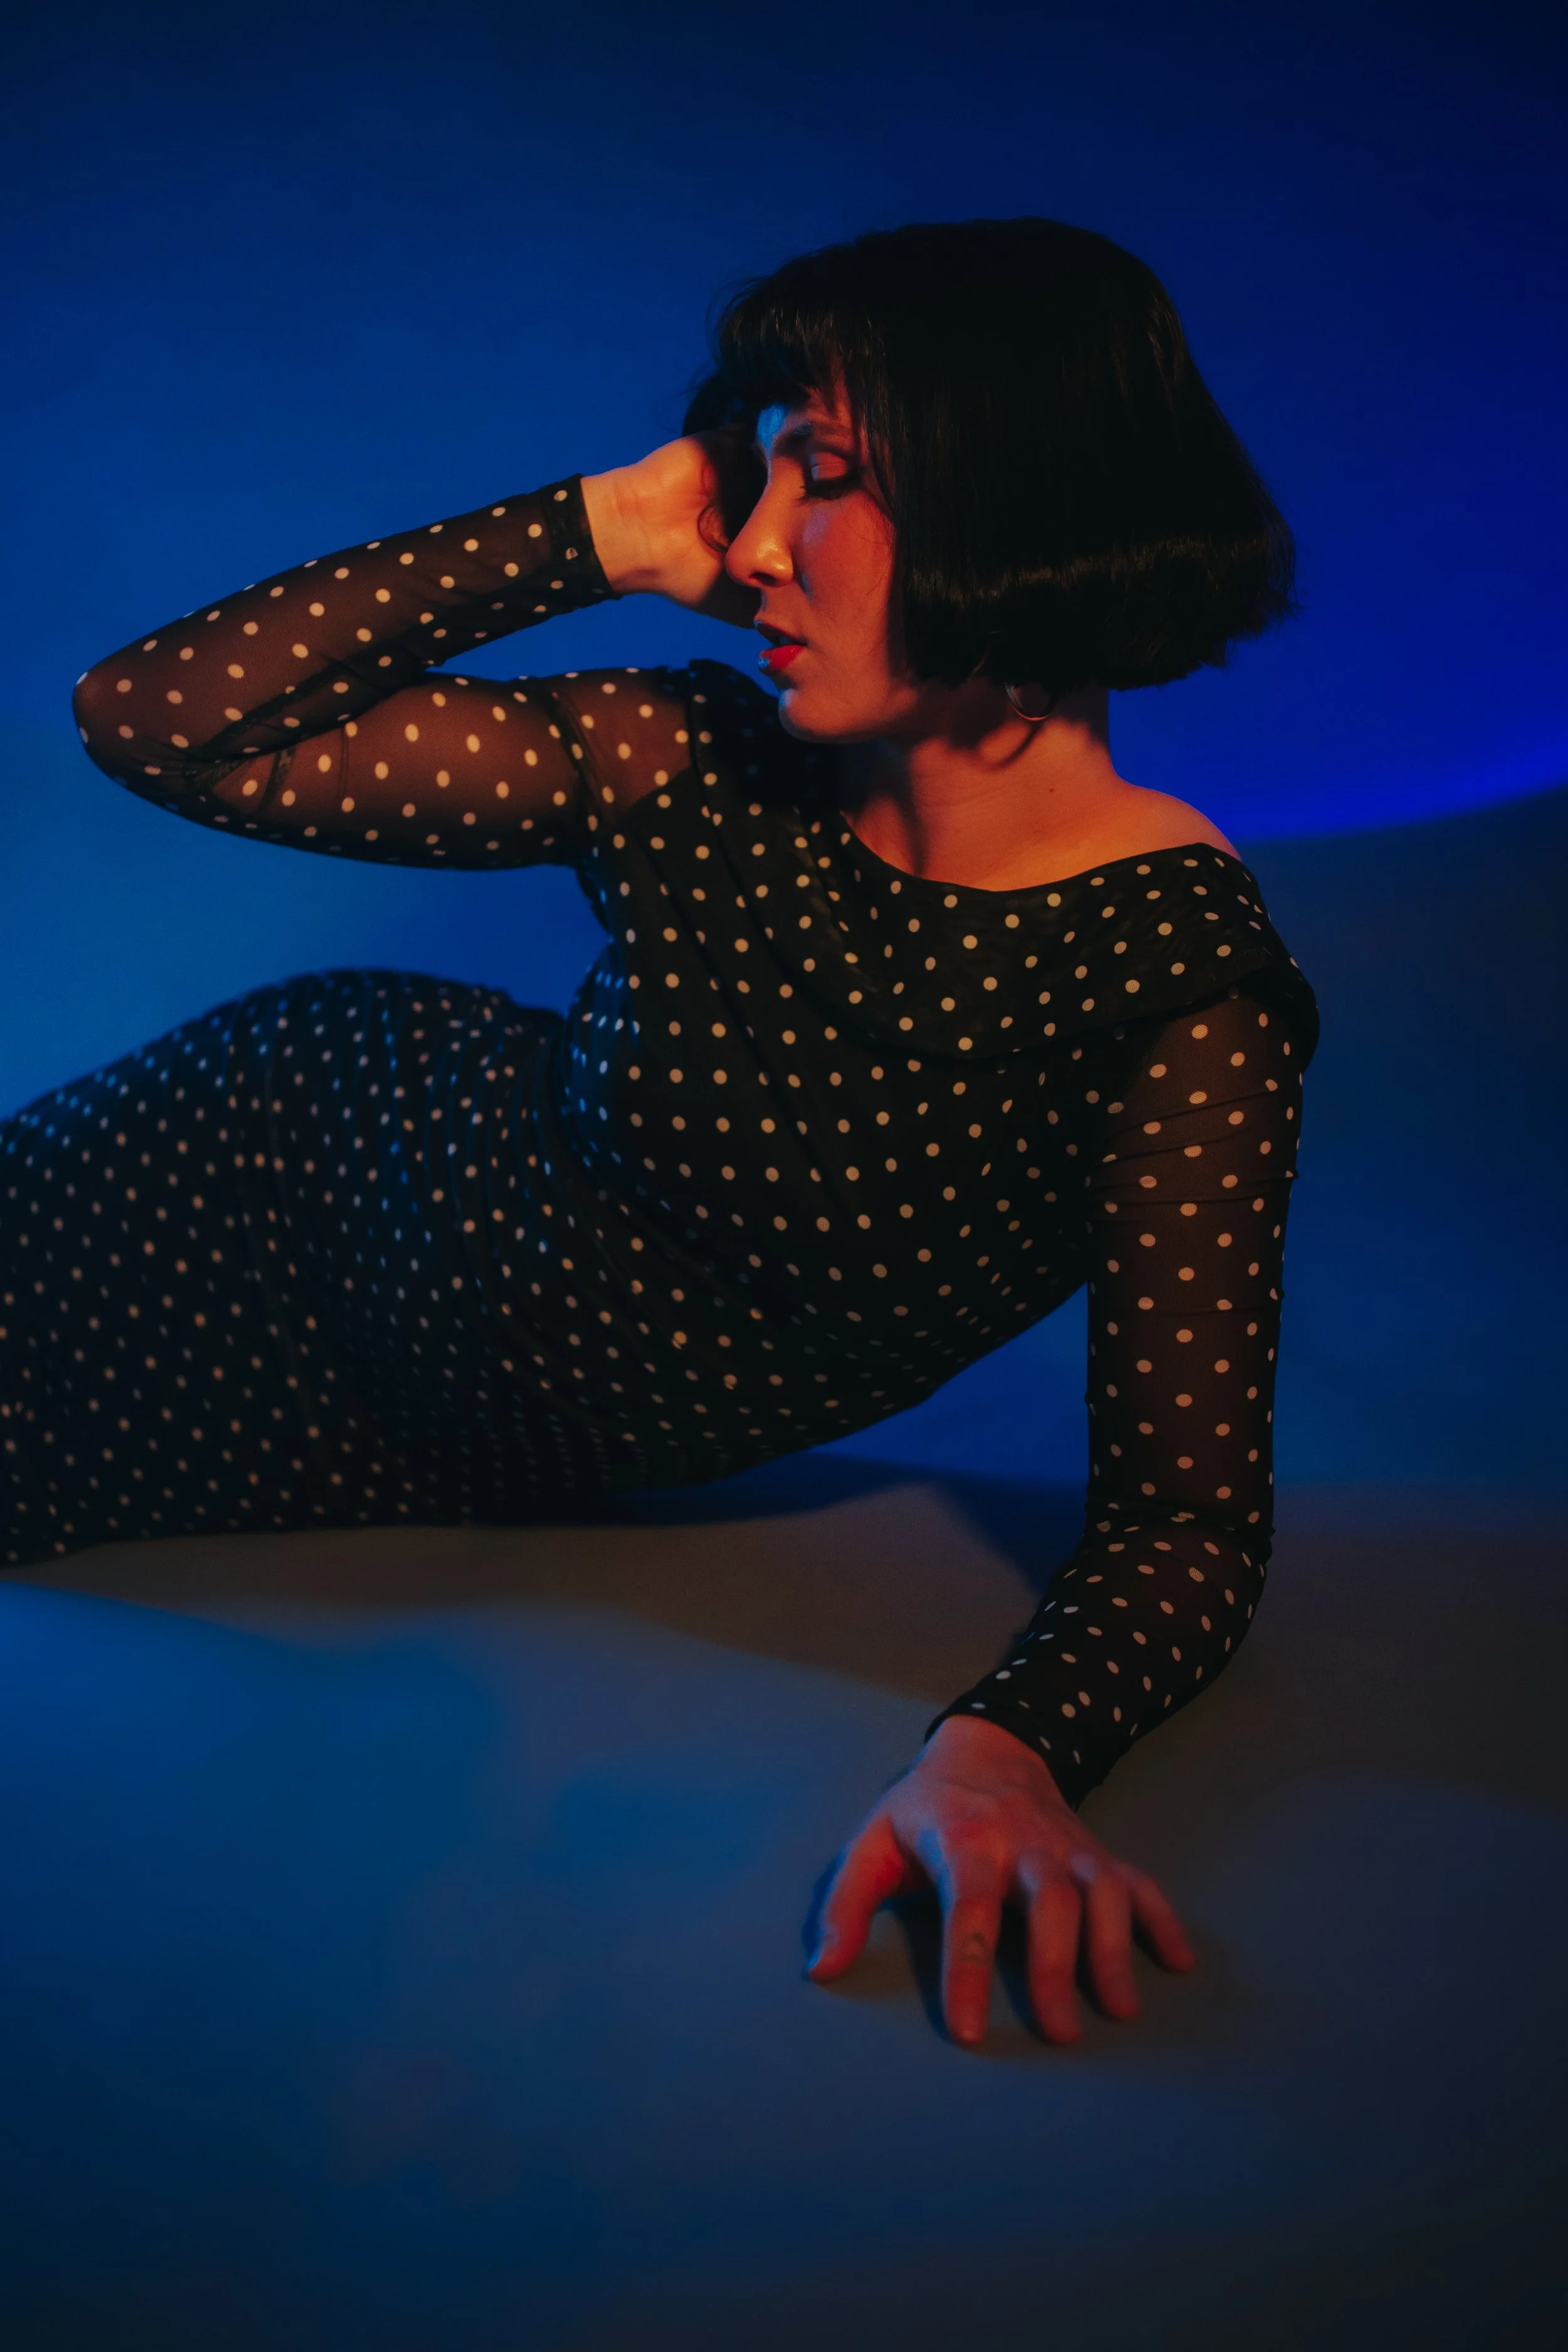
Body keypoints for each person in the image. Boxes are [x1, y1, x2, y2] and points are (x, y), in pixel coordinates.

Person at [6, 217, 1316, 2048]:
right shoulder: (685, 759)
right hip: (253, 1160)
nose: (762, 541)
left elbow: (1183, 1518)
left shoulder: (1178, 996)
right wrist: (599, 533)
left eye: (830, 479)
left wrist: (1007, 1756)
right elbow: (158, 725)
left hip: (360, 1432)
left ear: (1019, 498)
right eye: (765, 469)